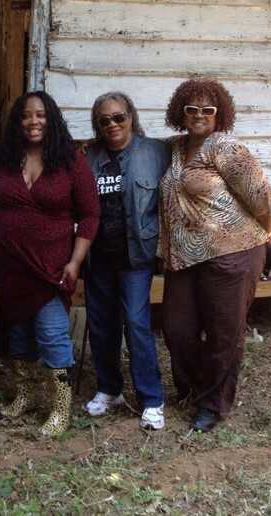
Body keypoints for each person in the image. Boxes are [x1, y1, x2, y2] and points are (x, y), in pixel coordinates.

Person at [0, 91, 99, 436]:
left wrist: (75, 262)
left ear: (51, 118)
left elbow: (90, 215)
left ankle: (60, 410)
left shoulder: (70, 160)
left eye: (40, 115)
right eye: (26, 115)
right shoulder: (1, 157)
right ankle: (24, 397)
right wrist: (4, 221)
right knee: (17, 332)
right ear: (18, 121)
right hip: (12, 263)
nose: (33, 121)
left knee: (51, 332)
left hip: (53, 265)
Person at [160, 77, 271, 432]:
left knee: (224, 332)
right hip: (185, 256)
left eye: (207, 110)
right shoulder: (176, 148)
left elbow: (262, 198)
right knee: (176, 328)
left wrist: (268, 235)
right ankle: (197, 386)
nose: (199, 115)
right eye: (191, 109)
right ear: (180, 111)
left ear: (219, 114)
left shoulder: (226, 149)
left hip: (234, 252)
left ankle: (212, 403)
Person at [82, 92, 170, 430]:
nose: (113, 125)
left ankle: (151, 399)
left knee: (135, 323)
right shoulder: (89, 157)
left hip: (136, 256)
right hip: (98, 256)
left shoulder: (157, 151)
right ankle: (109, 388)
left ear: (131, 116)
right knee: (102, 324)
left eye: (118, 117)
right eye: (104, 120)